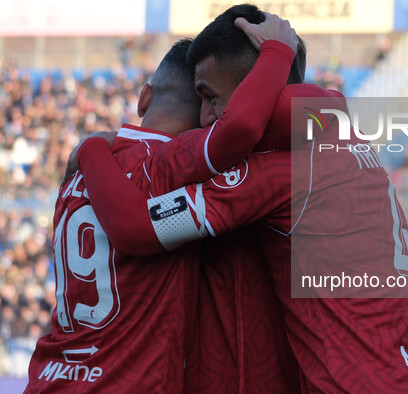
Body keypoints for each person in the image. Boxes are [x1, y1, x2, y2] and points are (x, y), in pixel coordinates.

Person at [71, 4, 408, 392]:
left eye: (211, 96)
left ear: (260, 88)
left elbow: (136, 226)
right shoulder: (343, 140)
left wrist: (94, 150)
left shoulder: (276, 169)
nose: (203, 117)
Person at [26, 15, 300, 393]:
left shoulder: (76, 173)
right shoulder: (169, 164)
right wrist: (278, 53)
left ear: (143, 97)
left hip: (50, 376)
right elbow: (241, 130)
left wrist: (91, 146)